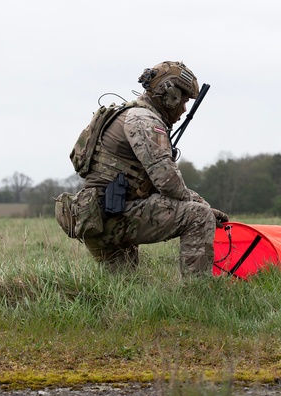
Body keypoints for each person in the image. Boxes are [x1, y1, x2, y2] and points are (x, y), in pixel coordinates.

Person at [69, 61, 228, 274]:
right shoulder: (144, 119)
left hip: (98, 215)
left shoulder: (128, 114)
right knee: (198, 215)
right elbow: (168, 182)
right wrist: (204, 206)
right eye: (183, 100)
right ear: (170, 94)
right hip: (113, 216)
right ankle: (197, 293)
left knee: (124, 290)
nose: (183, 108)